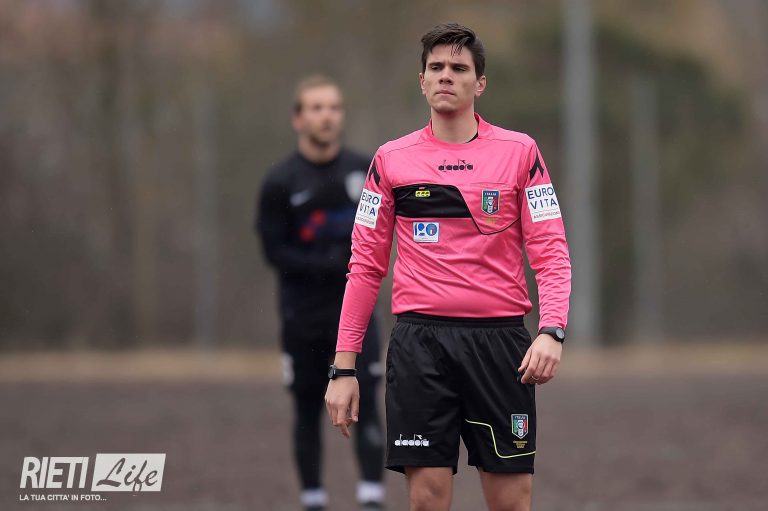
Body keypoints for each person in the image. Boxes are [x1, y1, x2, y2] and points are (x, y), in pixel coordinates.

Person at [325, 24, 571, 511]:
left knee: (511, 502)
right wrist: (343, 368)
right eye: (436, 67)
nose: (446, 76)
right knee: (427, 500)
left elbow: (551, 250)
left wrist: (552, 330)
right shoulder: (390, 160)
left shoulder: (520, 152)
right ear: (421, 81)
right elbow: (365, 267)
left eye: (459, 68)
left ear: (480, 83)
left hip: (501, 347)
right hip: (420, 347)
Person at [257, 75, 386, 511]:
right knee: (307, 408)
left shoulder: (366, 172)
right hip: (303, 319)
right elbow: (275, 252)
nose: (326, 116)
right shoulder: (280, 182)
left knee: (366, 404)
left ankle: (372, 498)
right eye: (316, 108)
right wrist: (333, 265)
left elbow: (383, 236)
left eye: (333, 107)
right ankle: (313, 498)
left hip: (358, 317)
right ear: (298, 118)